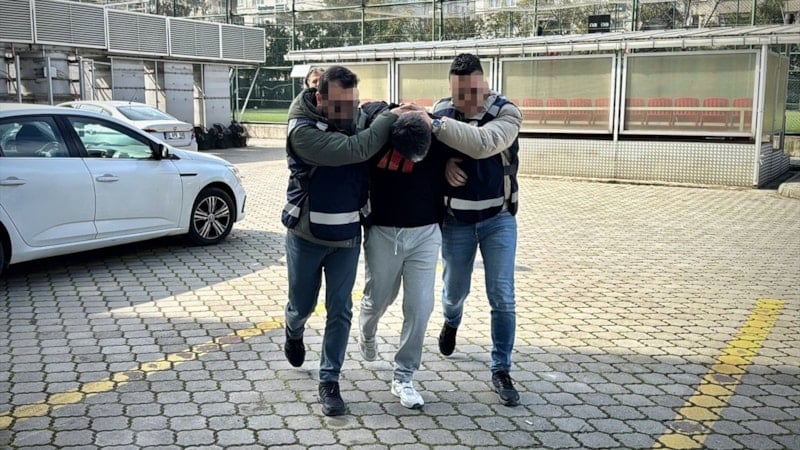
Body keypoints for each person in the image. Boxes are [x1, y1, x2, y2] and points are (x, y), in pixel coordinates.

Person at [281, 65, 419, 417]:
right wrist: (386, 119)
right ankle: (293, 329)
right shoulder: (303, 132)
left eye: (352, 103)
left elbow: (372, 114)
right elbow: (357, 148)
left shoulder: (352, 113)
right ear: (319, 99)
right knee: (302, 305)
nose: (349, 112)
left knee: (340, 310)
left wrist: (397, 110)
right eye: (340, 106)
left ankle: (330, 380)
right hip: (306, 235)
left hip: (346, 236)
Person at [430, 53, 523, 407]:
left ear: (484, 84)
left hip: (498, 219)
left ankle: (501, 369)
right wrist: (443, 166)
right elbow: (427, 157)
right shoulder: (442, 109)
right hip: (456, 221)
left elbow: (483, 143)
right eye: (457, 94)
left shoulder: (506, 112)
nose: (463, 101)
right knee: (454, 292)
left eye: (471, 93)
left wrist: (437, 126)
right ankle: (451, 321)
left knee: (502, 294)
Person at [357, 102, 443, 409]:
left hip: (426, 233)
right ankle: (367, 331)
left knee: (420, 306)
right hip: (383, 232)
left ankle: (404, 376)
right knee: (379, 298)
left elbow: (474, 144)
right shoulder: (377, 132)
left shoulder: (437, 135)